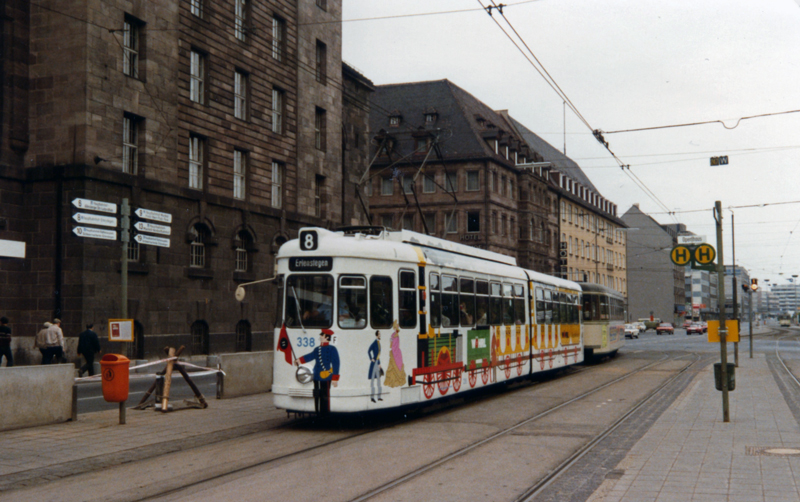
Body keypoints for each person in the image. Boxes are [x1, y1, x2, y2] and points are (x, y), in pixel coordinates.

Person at [294, 329, 340, 414]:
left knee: (325, 395)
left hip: (326, 376)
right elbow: (310, 356)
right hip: (316, 375)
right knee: (316, 394)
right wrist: (299, 360)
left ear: (326, 337)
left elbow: (336, 363)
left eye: (322, 335)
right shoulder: (317, 349)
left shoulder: (332, 349)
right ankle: (317, 411)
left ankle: (324, 413)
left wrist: (335, 378)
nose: (320, 337)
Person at [368, 330, 382, 402]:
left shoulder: (378, 343)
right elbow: (369, 350)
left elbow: (378, 355)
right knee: (373, 380)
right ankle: (372, 397)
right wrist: (371, 359)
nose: (380, 335)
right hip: (374, 363)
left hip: (377, 362)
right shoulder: (374, 343)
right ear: (377, 335)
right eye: (379, 334)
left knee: (378, 379)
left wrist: (379, 363)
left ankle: (379, 396)